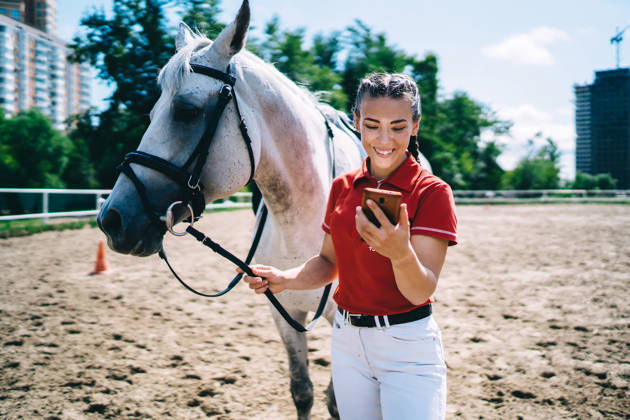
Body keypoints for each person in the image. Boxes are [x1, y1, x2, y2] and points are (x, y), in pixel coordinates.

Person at [243, 73, 457, 420]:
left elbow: (420, 290)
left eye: (398, 126)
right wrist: (286, 279)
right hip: (347, 342)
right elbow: (328, 262)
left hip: (406, 344)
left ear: (415, 126)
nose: (384, 138)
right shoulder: (342, 187)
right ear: (356, 122)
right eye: (372, 125)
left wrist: (400, 253)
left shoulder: (433, 192)